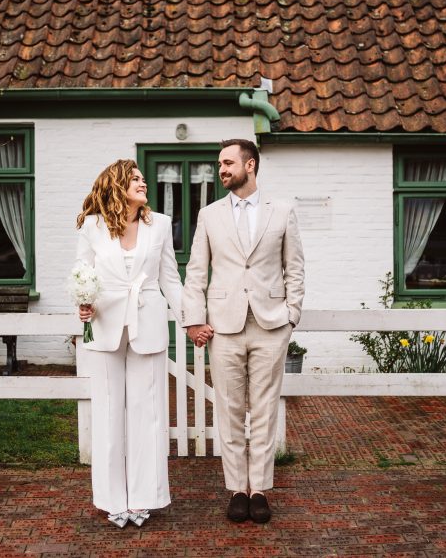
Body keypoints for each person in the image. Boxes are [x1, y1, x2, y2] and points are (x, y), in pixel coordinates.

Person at [181, 139, 305, 524]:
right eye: (220, 163)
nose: (221, 169)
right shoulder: (210, 214)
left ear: (250, 165)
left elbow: (295, 267)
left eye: (228, 162)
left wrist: (292, 314)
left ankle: (260, 490)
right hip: (224, 326)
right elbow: (197, 271)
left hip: (270, 325)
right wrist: (193, 319)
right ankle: (237, 489)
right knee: (230, 410)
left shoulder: (282, 210)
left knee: (265, 410)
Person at [73, 159, 183, 528]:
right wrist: (83, 302)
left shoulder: (161, 225)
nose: (144, 183)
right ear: (117, 186)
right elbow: (81, 272)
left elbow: (171, 279)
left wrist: (191, 319)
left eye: (142, 178)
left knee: (147, 414)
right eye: (135, 179)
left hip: (147, 325)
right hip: (105, 324)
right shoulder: (92, 226)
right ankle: (111, 501)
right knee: (107, 413)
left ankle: (143, 499)